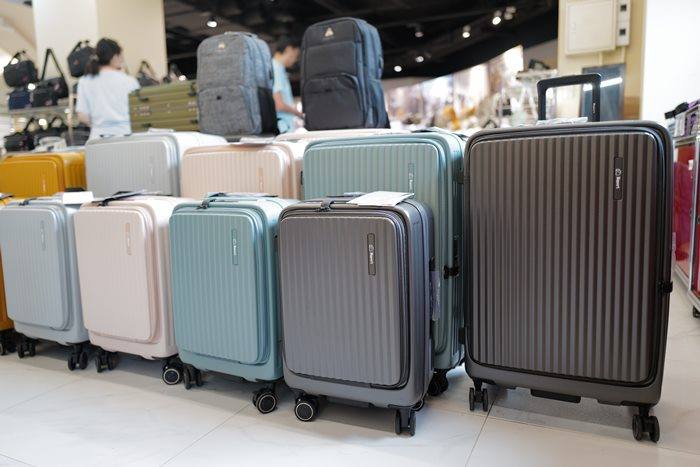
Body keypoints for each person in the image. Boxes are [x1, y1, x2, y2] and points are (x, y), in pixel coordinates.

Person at [76, 38, 140, 140]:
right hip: (126, 135)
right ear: (114, 57)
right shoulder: (129, 81)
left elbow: (82, 116)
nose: (122, 60)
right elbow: (139, 112)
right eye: (121, 56)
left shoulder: (85, 81)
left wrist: (100, 125)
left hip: (97, 138)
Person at [272, 36, 303, 133]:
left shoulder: (277, 68)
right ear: (289, 49)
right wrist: (299, 113)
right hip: (283, 128)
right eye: (296, 55)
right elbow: (278, 104)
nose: (295, 60)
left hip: (283, 126)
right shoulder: (276, 68)